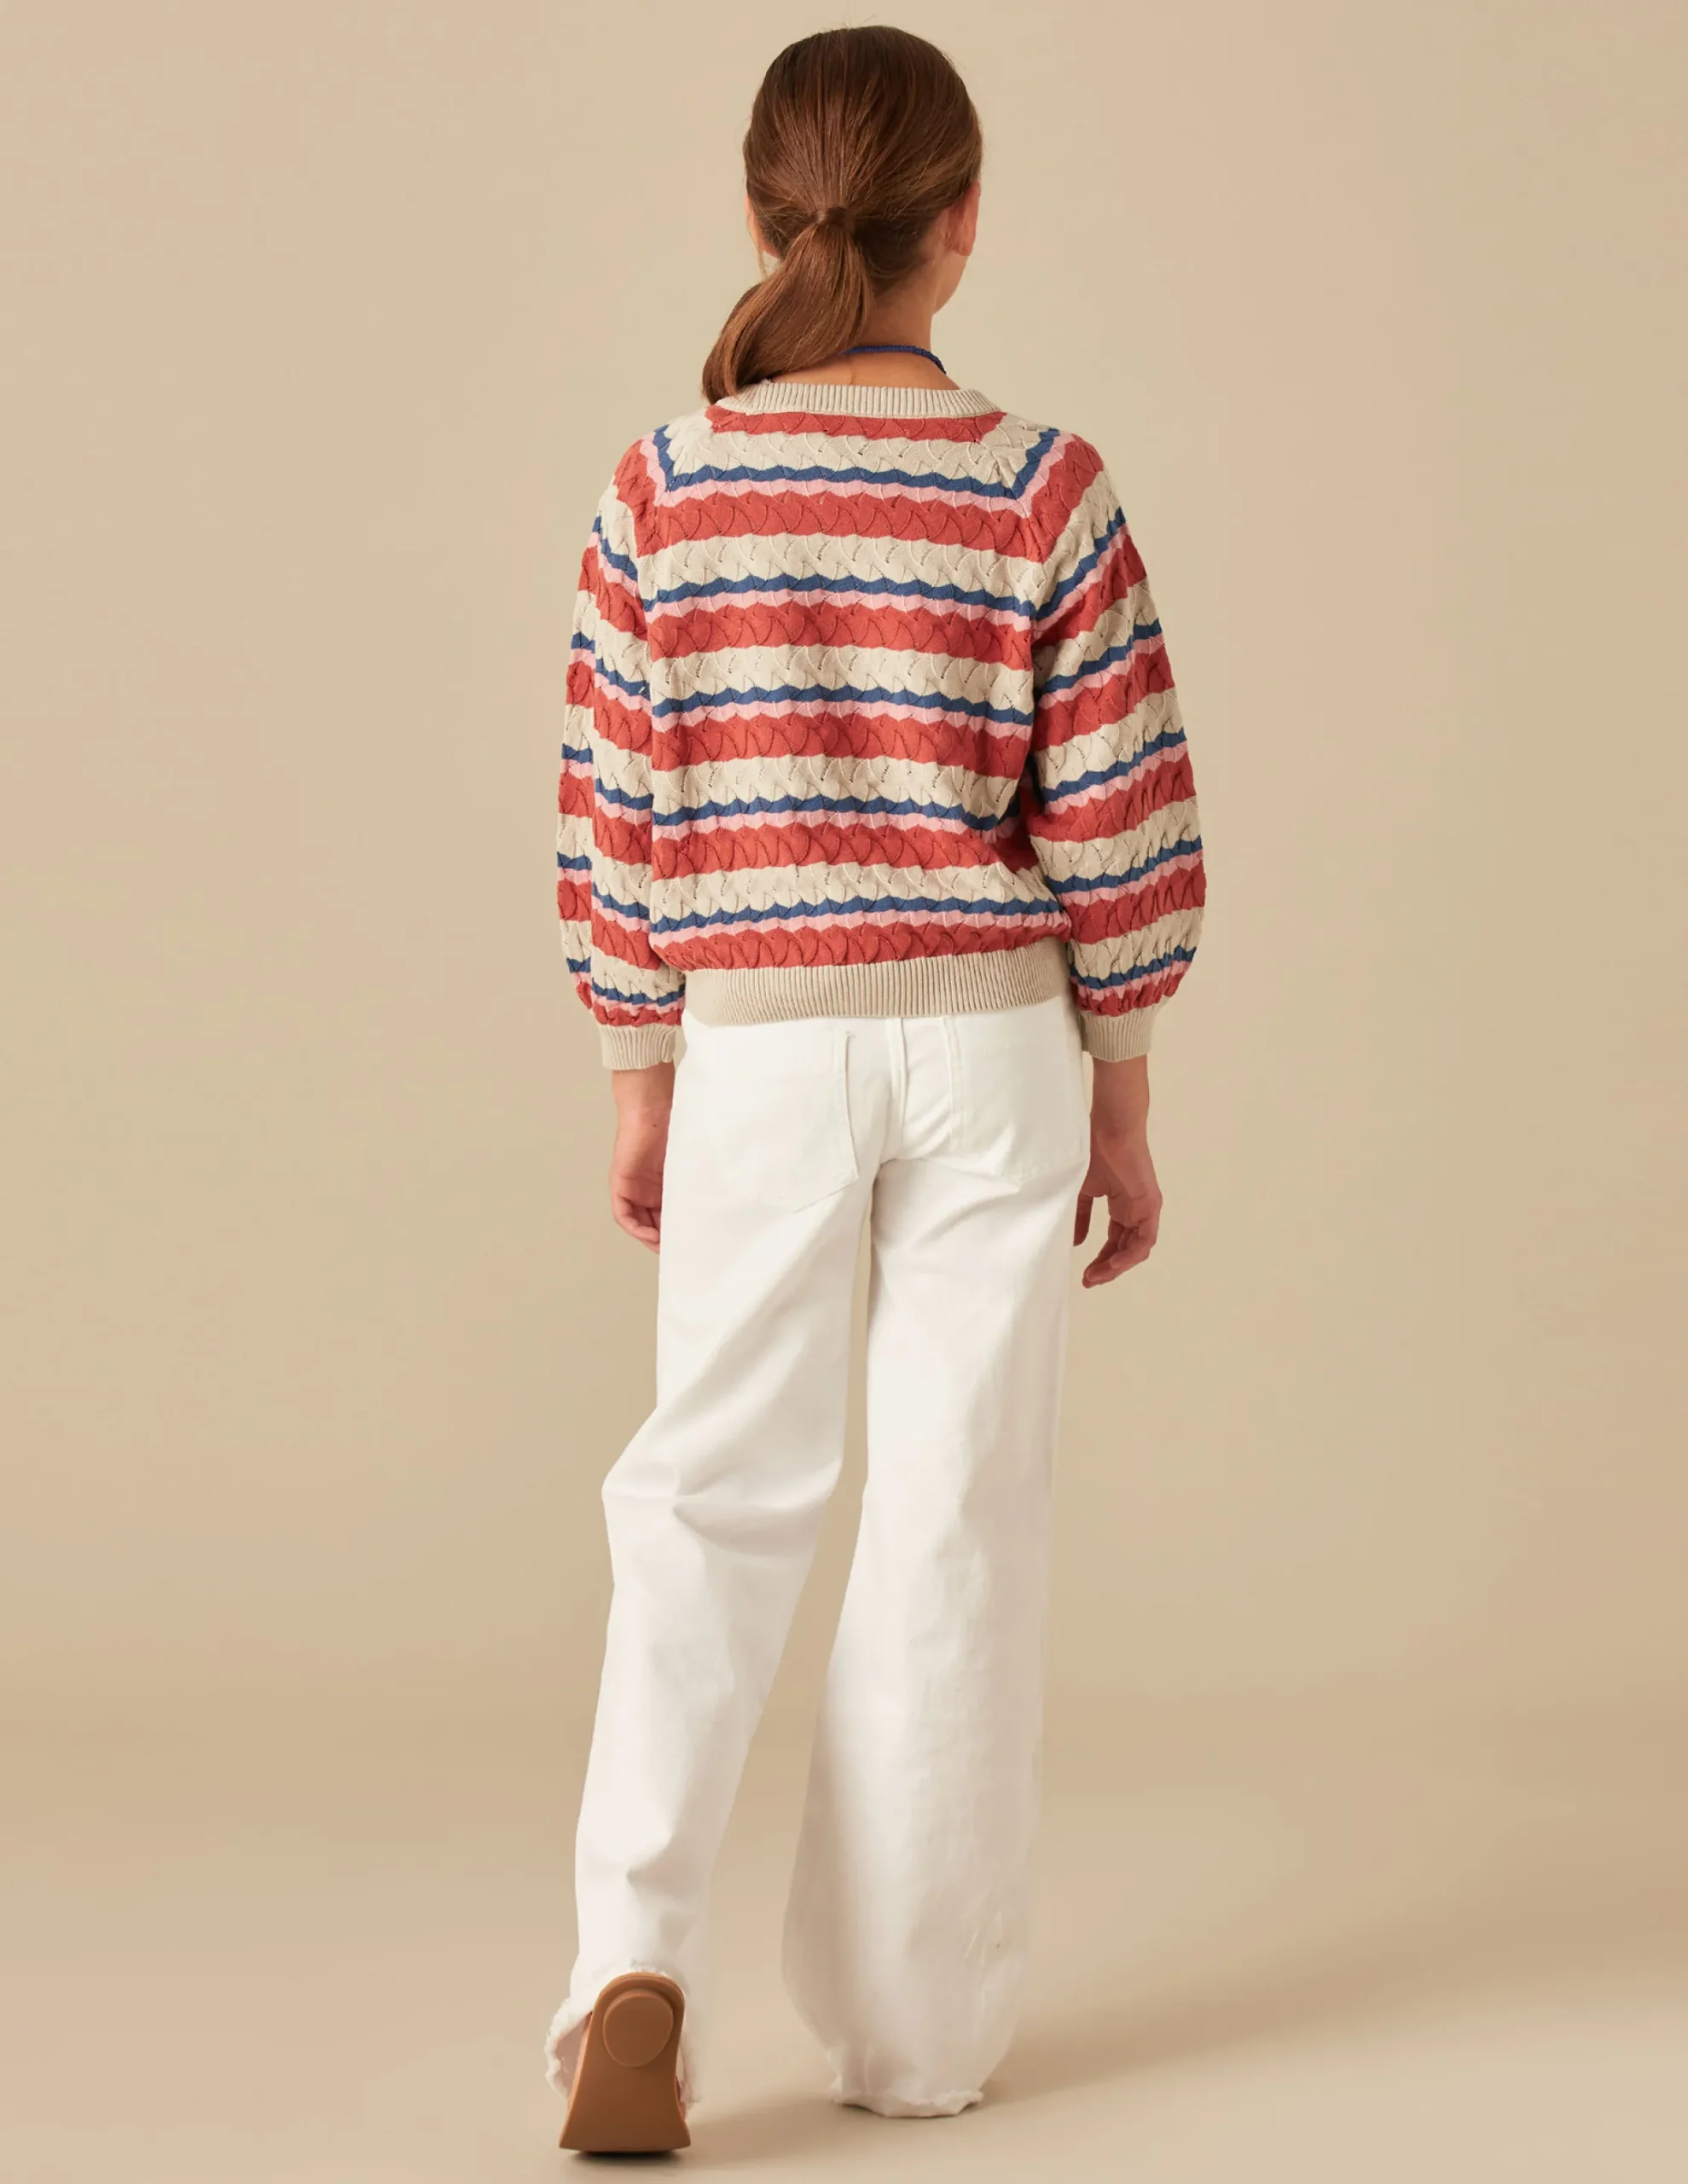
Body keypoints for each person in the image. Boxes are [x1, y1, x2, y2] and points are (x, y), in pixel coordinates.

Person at [544, 23, 1206, 2155]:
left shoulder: (667, 484)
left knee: (706, 1496)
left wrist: (639, 1062)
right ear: (963, 222)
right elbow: (1117, 816)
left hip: (758, 1034)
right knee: (951, 1516)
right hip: (991, 1042)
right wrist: (1121, 1087)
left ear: (761, 215)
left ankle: (628, 1969)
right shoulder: (1040, 485)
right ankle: (914, 2036)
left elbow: (617, 807)